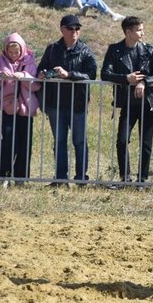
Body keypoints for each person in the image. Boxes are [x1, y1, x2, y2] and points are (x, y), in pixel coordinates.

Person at [101, 16, 153, 186]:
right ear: (128, 32)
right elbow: (105, 74)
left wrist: (144, 82)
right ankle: (125, 178)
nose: (142, 32)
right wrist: (126, 78)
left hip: (148, 104)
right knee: (122, 141)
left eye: (142, 29)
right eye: (138, 30)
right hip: (127, 104)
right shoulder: (115, 50)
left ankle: (142, 180)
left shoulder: (149, 50)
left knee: (146, 143)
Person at [37, 15, 98, 185]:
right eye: (71, 28)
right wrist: (42, 73)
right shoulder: (52, 49)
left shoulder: (85, 51)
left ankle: (81, 178)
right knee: (60, 141)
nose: (75, 32)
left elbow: (91, 74)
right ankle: (60, 178)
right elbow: (41, 68)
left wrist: (69, 75)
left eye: (77, 28)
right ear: (62, 29)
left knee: (79, 141)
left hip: (77, 104)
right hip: (55, 103)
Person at [0, 33, 40, 183]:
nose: (14, 55)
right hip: (8, 108)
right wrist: (0, 76)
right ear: (6, 50)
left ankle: (21, 177)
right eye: (11, 52)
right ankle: (4, 175)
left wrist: (24, 76)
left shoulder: (30, 62)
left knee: (24, 143)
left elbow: (37, 85)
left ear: (22, 50)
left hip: (26, 108)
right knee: (7, 140)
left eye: (17, 52)